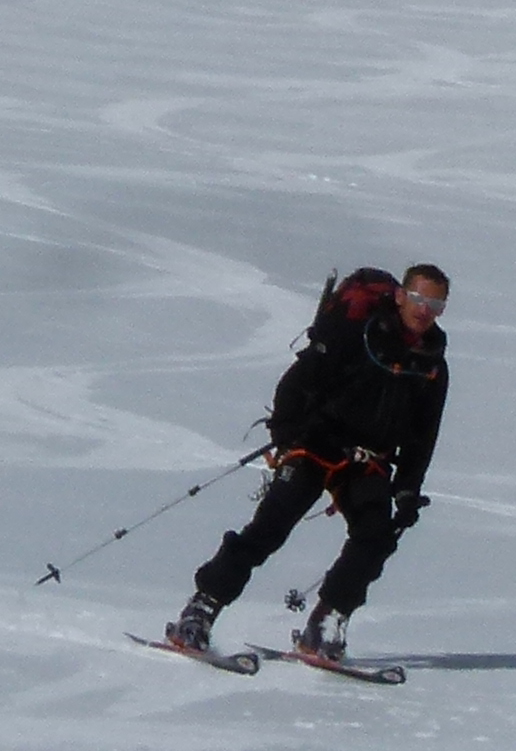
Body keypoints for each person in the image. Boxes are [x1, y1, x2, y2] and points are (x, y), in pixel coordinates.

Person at [168, 263, 447, 661]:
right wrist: (286, 435)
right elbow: (297, 381)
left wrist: (407, 490)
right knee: (270, 528)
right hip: (316, 445)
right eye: (419, 298)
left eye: (435, 303)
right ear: (401, 296)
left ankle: (327, 620)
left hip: (367, 461)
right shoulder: (359, 335)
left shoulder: (433, 363)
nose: (425, 310)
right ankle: (201, 609)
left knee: (376, 536)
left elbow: (424, 434)